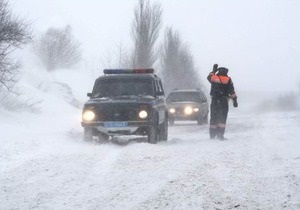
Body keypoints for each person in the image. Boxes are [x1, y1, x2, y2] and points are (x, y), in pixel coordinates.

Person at [207, 64, 238, 140]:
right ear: (226, 72)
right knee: (222, 117)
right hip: (223, 101)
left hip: (214, 100)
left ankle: (212, 135)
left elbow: (208, 77)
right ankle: (220, 135)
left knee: (213, 117)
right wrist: (235, 101)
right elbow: (232, 91)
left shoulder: (214, 77)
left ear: (218, 71)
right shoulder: (228, 79)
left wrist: (213, 70)